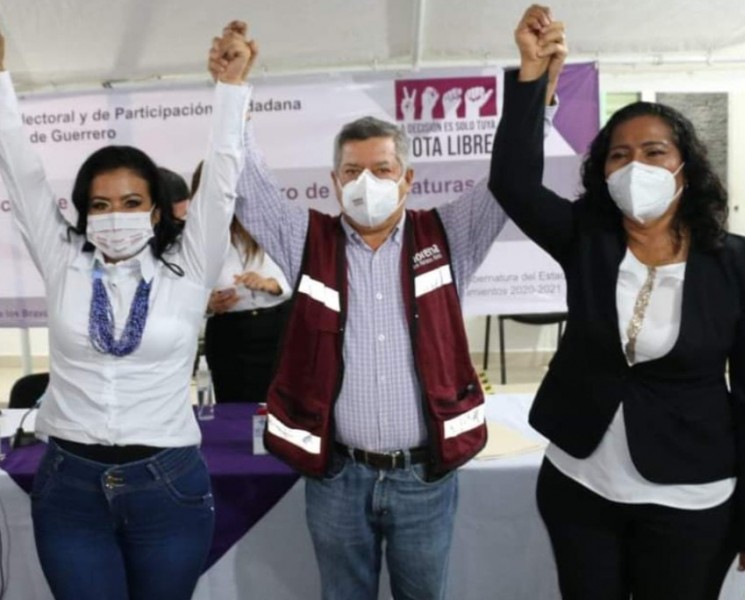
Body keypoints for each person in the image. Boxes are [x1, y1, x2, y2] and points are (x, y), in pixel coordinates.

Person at [209, 6, 565, 599]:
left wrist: (536, 92)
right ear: (333, 181)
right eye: (352, 171)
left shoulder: (449, 233)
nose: (365, 182)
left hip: (423, 475)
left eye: (381, 169)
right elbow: (249, 185)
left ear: (408, 178)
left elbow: (512, 179)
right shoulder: (308, 239)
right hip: (337, 475)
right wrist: (232, 91)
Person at [489, 7, 745, 600]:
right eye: (618, 156)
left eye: (654, 152)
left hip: (692, 498)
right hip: (581, 487)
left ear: (685, 168)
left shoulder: (741, 263)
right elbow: (514, 184)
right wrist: (530, 76)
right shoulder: (587, 239)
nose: (636, 166)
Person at [0, 23, 255, 600]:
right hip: (70, 488)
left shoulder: (188, 269)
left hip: (167, 486)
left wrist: (232, 86)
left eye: (132, 203)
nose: (116, 215)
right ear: (84, 213)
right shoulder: (63, 260)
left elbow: (220, 184)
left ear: (159, 212)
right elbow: (22, 172)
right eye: (100, 204)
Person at [194, 163, 292, 403]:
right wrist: (208, 304)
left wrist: (271, 284)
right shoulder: (196, 237)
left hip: (276, 328)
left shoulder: (271, 225)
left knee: (283, 405)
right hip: (229, 334)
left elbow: (300, 275)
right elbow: (183, 292)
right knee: (235, 406)